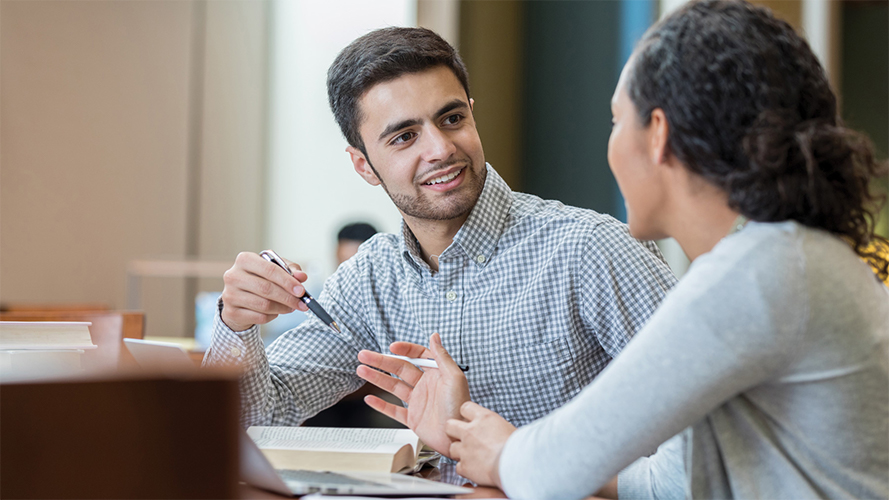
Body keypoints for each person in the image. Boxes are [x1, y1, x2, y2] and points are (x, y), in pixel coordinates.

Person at [359, 1, 889, 498]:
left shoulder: (753, 274)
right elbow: (676, 477)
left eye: (616, 121)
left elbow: (552, 465)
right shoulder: (784, 257)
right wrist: (486, 441)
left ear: (657, 134)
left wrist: (498, 447)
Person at [202, 27, 677, 455]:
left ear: (472, 114)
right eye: (404, 136)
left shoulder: (592, 249)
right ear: (363, 164)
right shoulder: (371, 279)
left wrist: (527, 462)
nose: (440, 149)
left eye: (451, 119)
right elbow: (254, 421)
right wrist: (236, 324)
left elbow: (719, 431)